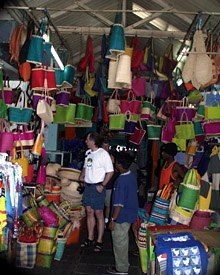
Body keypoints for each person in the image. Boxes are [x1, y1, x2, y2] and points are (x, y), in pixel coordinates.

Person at [79, 132, 114, 253]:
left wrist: (103, 185)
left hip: (98, 187)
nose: (85, 141)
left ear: (93, 141)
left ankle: (99, 240)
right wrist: (82, 176)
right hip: (88, 187)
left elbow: (110, 172)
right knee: (89, 212)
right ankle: (90, 238)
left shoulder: (103, 154)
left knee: (99, 214)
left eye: (87, 139)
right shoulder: (88, 153)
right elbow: (85, 166)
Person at [107, 151, 139, 275]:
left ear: (119, 165)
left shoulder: (120, 181)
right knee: (124, 241)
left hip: (121, 216)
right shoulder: (132, 176)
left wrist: (113, 220)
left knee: (119, 242)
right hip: (131, 214)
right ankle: (124, 264)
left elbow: (118, 204)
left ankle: (121, 268)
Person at [101, 139, 119, 226]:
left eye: (107, 146)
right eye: (104, 146)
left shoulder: (112, 157)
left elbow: (117, 169)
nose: (105, 148)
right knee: (100, 205)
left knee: (108, 204)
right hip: (99, 184)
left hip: (109, 185)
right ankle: (101, 221)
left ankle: (106, 220)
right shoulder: (98, 155)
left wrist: (113, 162)